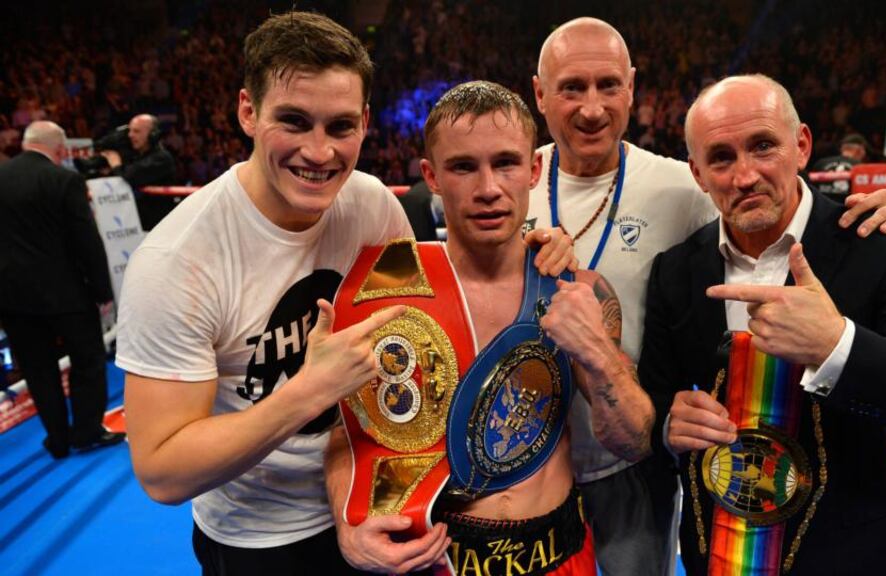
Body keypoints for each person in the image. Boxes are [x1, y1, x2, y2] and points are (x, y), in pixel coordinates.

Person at [117, 14, 569, 575]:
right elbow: (163, 470)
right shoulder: (177, 263)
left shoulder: (371, 206)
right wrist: (308, 392)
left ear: (365, 123)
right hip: (264, 540)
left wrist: (539, 247)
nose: (320, 151)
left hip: (389, 507)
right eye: (295, 121)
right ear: (247, 111)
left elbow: (432, 330)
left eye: (340, 126)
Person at [526, 17, 886, 576]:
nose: (592, 107)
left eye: (608, 85)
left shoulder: (683, 185)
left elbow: (767, 203)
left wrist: (884, 216)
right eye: (571, 87)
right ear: (540, 93)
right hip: (525, 466)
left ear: (632, 87)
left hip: (633, 467)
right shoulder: (508, 180)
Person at [640, 74, 886, 576]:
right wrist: (667, 422)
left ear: (802, 145)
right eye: (721, 158)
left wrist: (838, 345)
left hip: (852, 554)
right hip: (717, 551)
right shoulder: (677, 269)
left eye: (763, 146)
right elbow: (655, 398)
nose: (745, 176)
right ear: (697, 174)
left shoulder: (881, 243)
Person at [326, 80, 654, 575]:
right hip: (435, 559)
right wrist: (347, 524)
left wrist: (597, 355)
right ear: (432, 177)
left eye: (505, 162)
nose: (488, 189)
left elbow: (634, 440)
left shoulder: (575, 290)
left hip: (558, 553)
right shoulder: (387, 294)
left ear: (535, 169)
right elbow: (347, 434)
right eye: (463, 167)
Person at [0, 120, 123, 459]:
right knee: (87, 361)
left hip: (13, 298)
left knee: (37, 369)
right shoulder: (64, 179)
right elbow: (86, 240)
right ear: (59, 148)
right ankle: (85, 432)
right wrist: (102, 290)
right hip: (66, 293)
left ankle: (56, 438)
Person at [101, 113, 177, 230]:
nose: (130, 135)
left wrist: (116, 165)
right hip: (138, 226)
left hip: (157, 228)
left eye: (136, 131)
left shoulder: (161, 158)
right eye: (130, 131)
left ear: (153, 135)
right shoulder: (137, 156)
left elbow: (128, 178)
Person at [810, 132, 868, 200]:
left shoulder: (820, 163)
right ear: (860, 150)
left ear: (842, 149)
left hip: (822, 208)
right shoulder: (861, 168)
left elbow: (811, 191)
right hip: (849, 208)